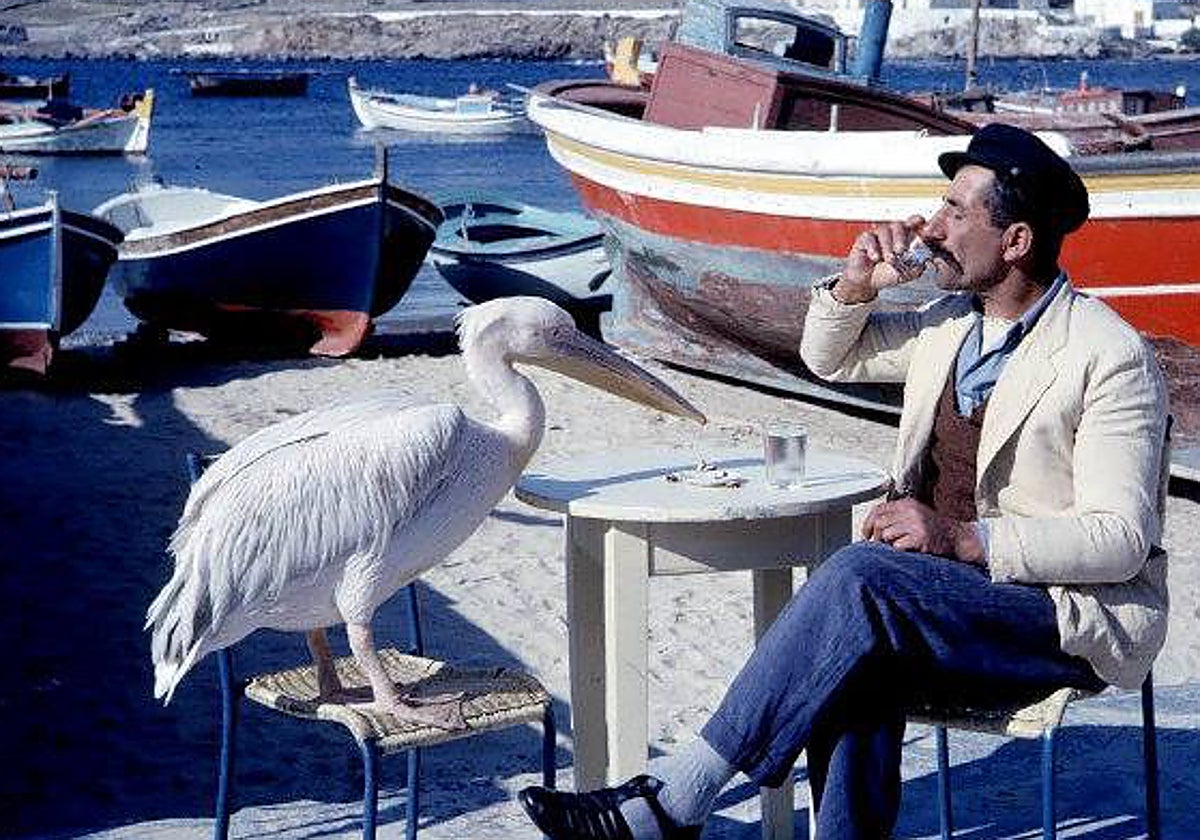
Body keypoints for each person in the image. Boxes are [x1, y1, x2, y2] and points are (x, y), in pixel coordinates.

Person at [517, 123, 1170, 840]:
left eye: (957, 211)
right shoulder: (950, 324)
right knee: (854, 651)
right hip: (941, 604)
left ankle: (674, 802)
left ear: (1015, 242)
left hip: (1057, 617)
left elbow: (1120, 541)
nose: (933, 225)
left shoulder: (1108, 356)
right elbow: (830, 357)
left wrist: (960, 538)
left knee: (858, 580)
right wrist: (858, 283)